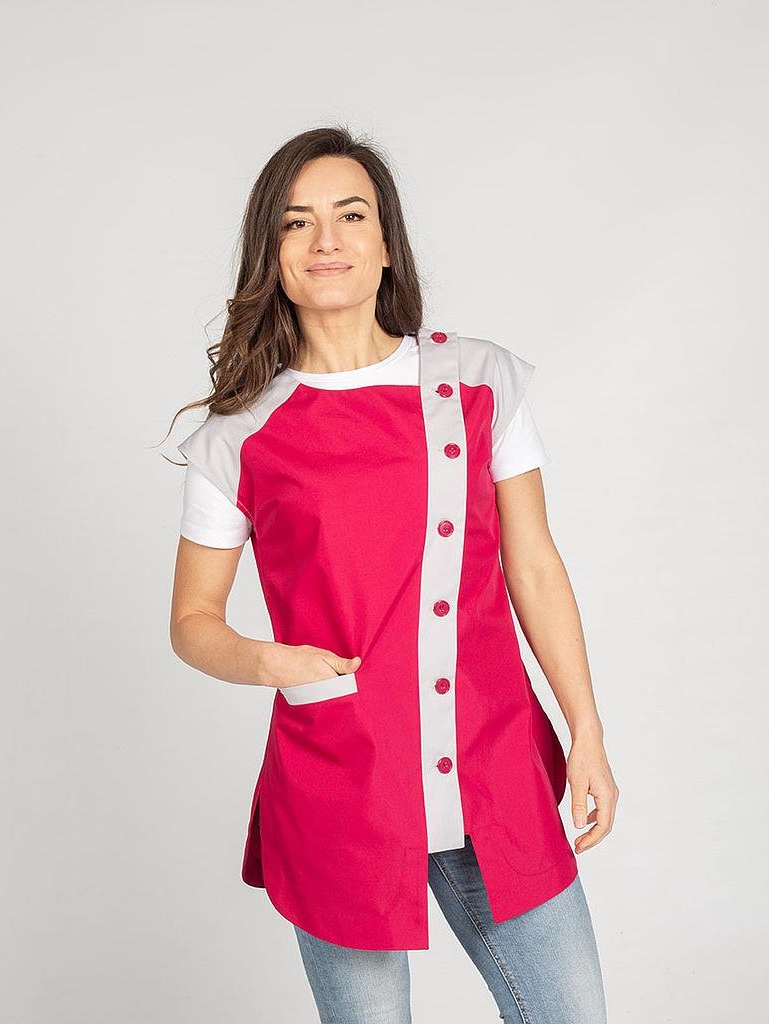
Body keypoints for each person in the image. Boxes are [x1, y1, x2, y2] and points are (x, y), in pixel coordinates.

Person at [167, 125, 618, 1023]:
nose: (326, 240)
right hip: (344, 780)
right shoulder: (238, 436)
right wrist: (270, 662)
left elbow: (534, 565)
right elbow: (192, 621)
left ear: (385, 243)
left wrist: (586, 730)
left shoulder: (479, 382)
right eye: (297, 222)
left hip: (495, 764)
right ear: (272, 253)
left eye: (350, 215)